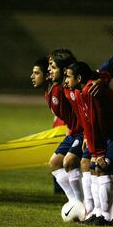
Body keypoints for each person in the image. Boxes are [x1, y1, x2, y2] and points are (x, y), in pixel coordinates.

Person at [64, 61, 113, 226]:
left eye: (68, 77)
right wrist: (88, 138)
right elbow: (87, 122)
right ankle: (98, 213)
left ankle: (106, 217)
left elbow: (96, 122)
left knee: (102, 167)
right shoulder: (80, 92)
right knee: (95, 168)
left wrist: (98, 153)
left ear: (79, 78)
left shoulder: (91, 90)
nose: (66, 81)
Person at [31, 52, 85, 206]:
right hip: (73, 132)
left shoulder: (66, 90)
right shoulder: (51, 92)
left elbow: (82, 110)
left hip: (83, 131)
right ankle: (74, 202)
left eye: (52, 67)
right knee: (55, 162)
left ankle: (82, 204)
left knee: (69, 162)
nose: (49, 70)